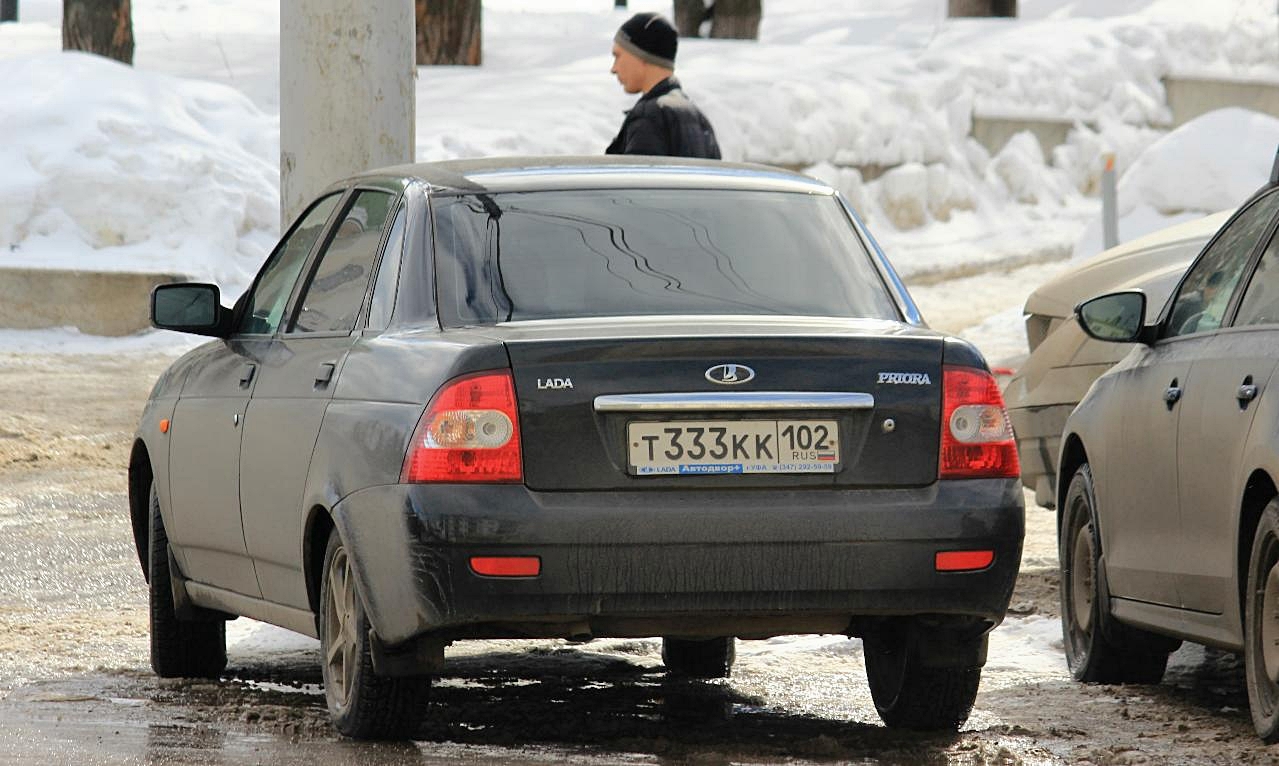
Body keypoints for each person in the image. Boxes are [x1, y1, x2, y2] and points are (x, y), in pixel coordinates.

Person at [606, 12, 721, 159]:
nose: (613, 69)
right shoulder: (697, 117)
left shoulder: (649, 117)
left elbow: (638, 180)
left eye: (618, 56)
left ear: (641, 54)